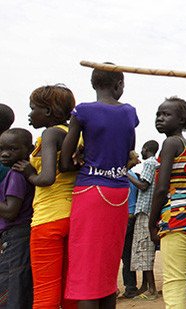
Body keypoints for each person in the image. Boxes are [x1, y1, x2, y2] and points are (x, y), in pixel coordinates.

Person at [60, 66, 139, 309]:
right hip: (118, 193)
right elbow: (128, 153)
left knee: (86, 270)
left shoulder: (82, 111)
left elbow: (64, 163)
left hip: (90, 192)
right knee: (107, 267)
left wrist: (82, 157)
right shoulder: (129, 113)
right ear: (119, 85)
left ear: (94, 84)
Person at [13, 85, 78, 309]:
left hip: (48, 219)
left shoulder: (50, 134)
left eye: (33, 109)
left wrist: (30, 173)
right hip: (74, 217)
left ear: (48, 111)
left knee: (45, 290)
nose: (30, 114)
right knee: (70, 289)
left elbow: (48, 177)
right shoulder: (75, 135)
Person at [149, 97, 186, 309]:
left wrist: (151, 221)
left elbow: (162, 188)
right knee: (179, 276)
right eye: (158, 114)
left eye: (166, 114)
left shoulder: (170, 143)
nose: (160, 118)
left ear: (182, 121)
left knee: (173, 281)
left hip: (175, 217)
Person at [0, 128, 35, 308]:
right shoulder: (19, 172)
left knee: (13, 286)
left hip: (17, 236)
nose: (5, 154)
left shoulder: (16, 175)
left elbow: (10, 211)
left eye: (12, 149)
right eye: (1, 149)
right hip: (18, 236)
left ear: (29, 149)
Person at [128, 140, 160, 300]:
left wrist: (125, 173)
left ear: (146, 149)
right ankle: (145, 285)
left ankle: (151, 289)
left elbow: (143, 186)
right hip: (150, 210)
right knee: (143, 249)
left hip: (144, 211)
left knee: (144, 250)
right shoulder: (156, 164)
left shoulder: (149, 164)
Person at [122, 150, 141, 298]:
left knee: (121, 254)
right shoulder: (134, 176)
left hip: (123, 218)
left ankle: (128, 287)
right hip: (132, 216)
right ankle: (131, 287)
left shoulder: (123, 176)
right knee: (128, 254)